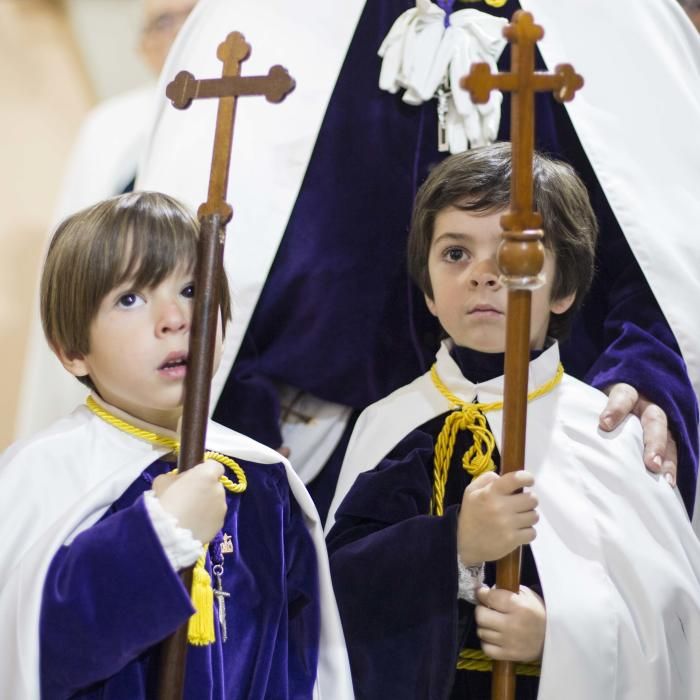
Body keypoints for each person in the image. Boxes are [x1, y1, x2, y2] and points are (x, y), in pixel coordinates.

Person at [136, 0, 700, 526]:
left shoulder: (618, 19)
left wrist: (649, 368)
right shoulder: (266, 17)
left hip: (563, 434)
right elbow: (210, 248)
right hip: (318, 445)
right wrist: (236, 404)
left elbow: (662, 241)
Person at [325, 144, 700, 699]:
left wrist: (560, 638)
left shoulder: (602, 435)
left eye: (516, 255)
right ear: (427, 289)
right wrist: (452, 544)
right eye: (455, 254)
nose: (483, 275)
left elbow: (671, 630)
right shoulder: (387, 424)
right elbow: (330, 605)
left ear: (564, 290)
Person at [0, 192, 353, 699]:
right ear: (72, 350)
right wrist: (156, 537)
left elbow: (299, 660)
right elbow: (31, 654)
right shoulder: (42, 474)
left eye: (191, 289)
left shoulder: (263, 477)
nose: (175, 319)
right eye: (130, 298)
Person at [15, 0, 199, 441]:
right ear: (142, 47)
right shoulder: (111, 126)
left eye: (193, 16)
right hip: (129, 363)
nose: (182, 34)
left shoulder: (256, 103)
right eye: (163, 23)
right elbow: (76, 258)